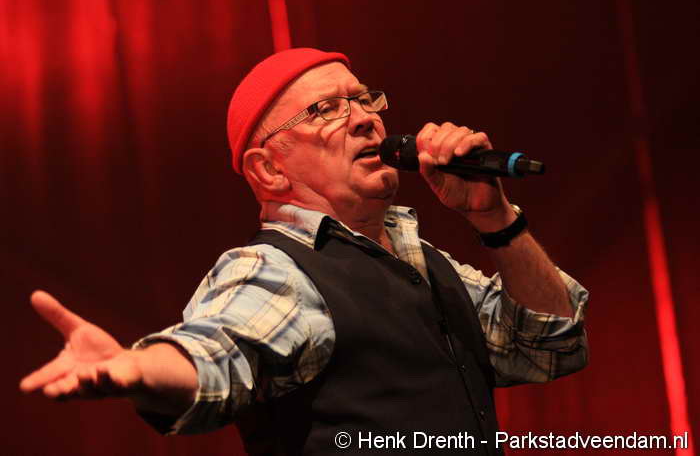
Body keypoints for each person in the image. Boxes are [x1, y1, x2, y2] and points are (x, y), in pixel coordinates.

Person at [20, 48, 588, 455]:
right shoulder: (275, 268)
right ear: (269, 169)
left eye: (363, 100)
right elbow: (220, 352)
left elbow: (551, 345)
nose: (366, 119)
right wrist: (135, 366)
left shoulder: (419, 258)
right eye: (326, 110)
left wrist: (495, 219)